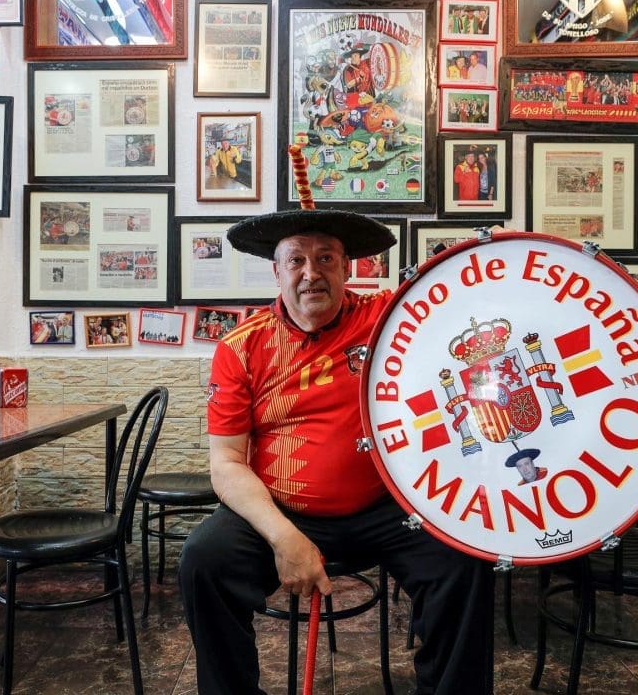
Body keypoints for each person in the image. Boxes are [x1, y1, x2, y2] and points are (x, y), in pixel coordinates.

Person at [179, 208, 495, 695]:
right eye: (296, 260)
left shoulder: (392, 319)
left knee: (466, 561)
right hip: (280, 511)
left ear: (348, 267)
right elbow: (226, 463)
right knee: (204, 560)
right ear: (277, 271)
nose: (311, 273)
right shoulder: (242, 346)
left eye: (325, 258)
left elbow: (464, 300)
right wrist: (285, 539)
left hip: (389, 507)